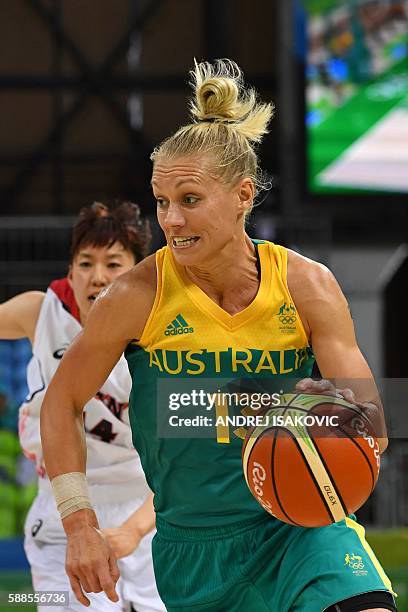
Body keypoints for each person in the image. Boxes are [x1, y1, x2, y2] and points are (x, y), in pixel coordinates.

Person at [40, 60, 396, 612]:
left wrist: (338, 428)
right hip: (196, 549)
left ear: (243, 196)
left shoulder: (307, 285)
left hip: (302, 529)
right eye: (162, 202)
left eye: (189, 200)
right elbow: (60, 402)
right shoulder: (136, 296)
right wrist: (80, 523)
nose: (171, 220)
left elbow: (369, 418)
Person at [0, 201, 165, 612]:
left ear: (137, 271)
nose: (98, 276)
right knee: (45, 602)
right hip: (59, 510)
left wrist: (132, 530)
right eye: (86, 263)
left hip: (144, 510)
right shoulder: (41, 312)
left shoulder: (166, 337)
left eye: (113, 264)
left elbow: (186, 470)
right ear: (70, 272)